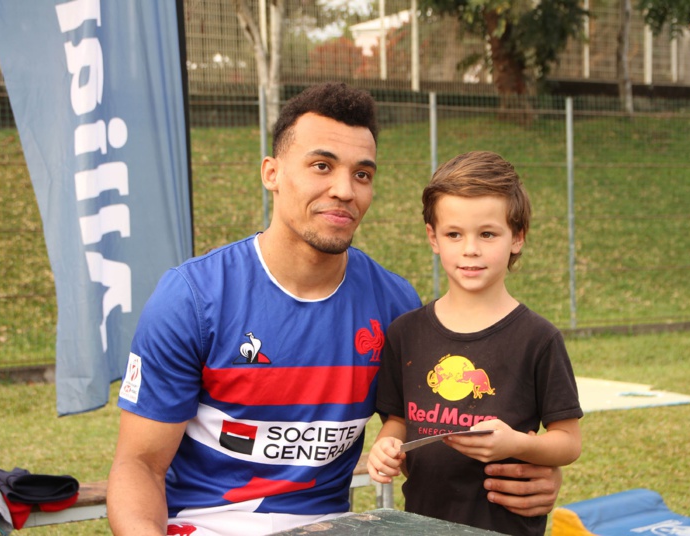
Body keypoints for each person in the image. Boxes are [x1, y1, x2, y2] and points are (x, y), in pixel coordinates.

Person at [107, 84, 563, 536]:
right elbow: (139, 466)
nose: (344, 190)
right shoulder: (191, 297)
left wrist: (535, 471)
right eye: (321, 166)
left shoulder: (394, 305)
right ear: (272, 173)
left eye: (362, 174)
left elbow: (427, 432)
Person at [367, 150, 583, 535]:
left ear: (517, 237)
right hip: (423, 526)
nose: (470, 249)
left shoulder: (539, 339)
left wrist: (516, 443)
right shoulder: (405, 333)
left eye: (487, 233)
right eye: (454, 234)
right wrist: (386, 445)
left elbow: (568, 442)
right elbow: (398, 421)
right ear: (433, 238)